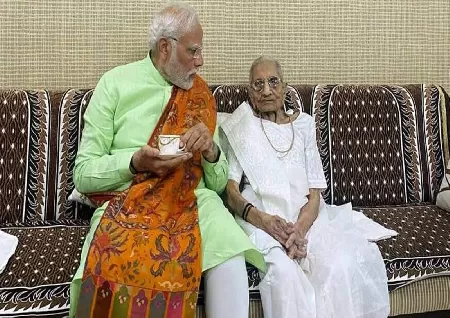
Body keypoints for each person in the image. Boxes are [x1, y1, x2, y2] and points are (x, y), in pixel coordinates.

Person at [68, 3, 264, 318]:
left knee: (229, 255)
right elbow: (84, 174)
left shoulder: (200, 95)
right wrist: (134, 163)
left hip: (194, 200)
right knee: (111, 263)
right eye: (193, 51)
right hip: (127, 200)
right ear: (165, 48)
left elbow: (215, 185)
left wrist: (211, 153)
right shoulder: (115, 84)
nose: (201, 62)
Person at [222, 56, 397, 318]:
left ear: (285, 86)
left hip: (307, 218)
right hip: (262, 218)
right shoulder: (242, 126)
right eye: (258, 84)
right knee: (283, 273)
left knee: (340, 265)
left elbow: (315, 193)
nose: (267, 90)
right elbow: (231, 191)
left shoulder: (304, 124)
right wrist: (264, 221)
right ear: (250, 92)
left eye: (273, 82)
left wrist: (299, 232)